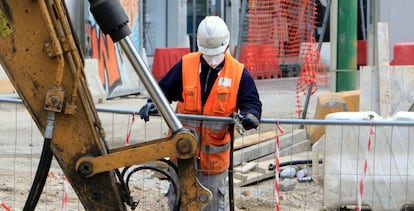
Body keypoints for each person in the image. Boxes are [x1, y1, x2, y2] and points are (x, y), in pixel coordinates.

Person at [139, 16, 262, 210]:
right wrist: (153, 103)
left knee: (210, 205)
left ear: (227, 45)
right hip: (182, 154)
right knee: (179, 203)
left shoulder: (238, 73)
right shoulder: (186, 65)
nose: (212, 60)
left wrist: (250, 116)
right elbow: (162, 91)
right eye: (208, 54)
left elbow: (251, 102)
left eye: (216, 54)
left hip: (213, 162)